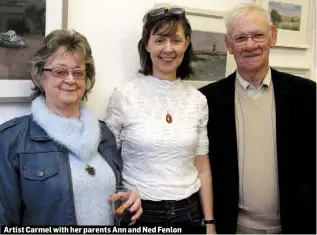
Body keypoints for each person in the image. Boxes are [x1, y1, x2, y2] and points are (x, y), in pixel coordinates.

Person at [0, 29, 142, 226]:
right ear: (41, 76)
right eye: (60, 71)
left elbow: (112, 193)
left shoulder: (104, 134)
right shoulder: (11, 140)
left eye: (78, 72)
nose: (70, 79)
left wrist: (127, 199)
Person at [199, 3, 316, 234]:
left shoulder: (307, 94)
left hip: (298, 226)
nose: (250, 45)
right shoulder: (207, 100)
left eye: (257, 35)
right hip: (232, 228)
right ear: (228, 45)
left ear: (273, 37)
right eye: (241, 38)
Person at [105, 6, 215, 234]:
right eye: (159, 40)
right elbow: (108, 162)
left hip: (189, 214)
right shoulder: (124, 95)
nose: (168, 49)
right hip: (139, 213)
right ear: (147, 44)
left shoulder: (198, 101)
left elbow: (202, 166)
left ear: (186, 43)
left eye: (175, 40)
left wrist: (209, 222)